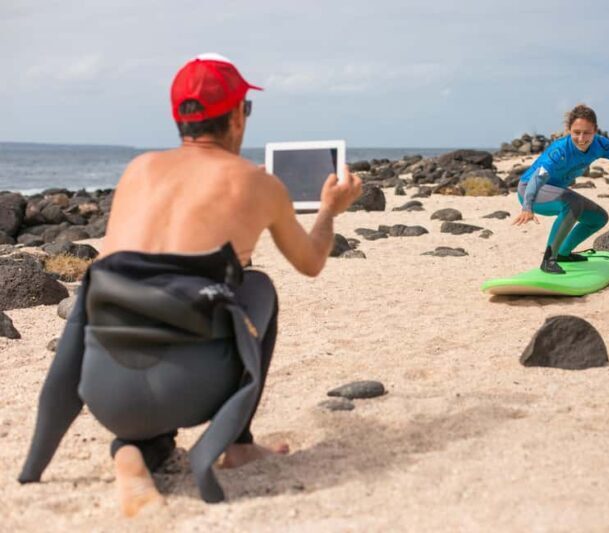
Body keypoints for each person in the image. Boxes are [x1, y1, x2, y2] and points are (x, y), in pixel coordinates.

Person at [18, 53, 362, 516]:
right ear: (239, 116)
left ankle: (132, 451)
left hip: (104, 389)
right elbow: (311, 262)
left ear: (178, 118)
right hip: (194, 390)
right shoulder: (258, 184)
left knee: (133, 298)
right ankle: (236, 445)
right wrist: (328, 211)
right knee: (258, 286)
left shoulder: (137, 172)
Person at [512, 104, 609, 274]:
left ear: (595, 130)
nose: (581, 138)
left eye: (587, 132)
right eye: (576, 132)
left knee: (598, 218)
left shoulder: (601, 145)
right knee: (573, 203)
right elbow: (537, 178)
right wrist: (527, 207)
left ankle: (563, 254)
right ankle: (549, 259)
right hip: (531, 191)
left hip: (557, 192)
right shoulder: (560, 150)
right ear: (569, 130)